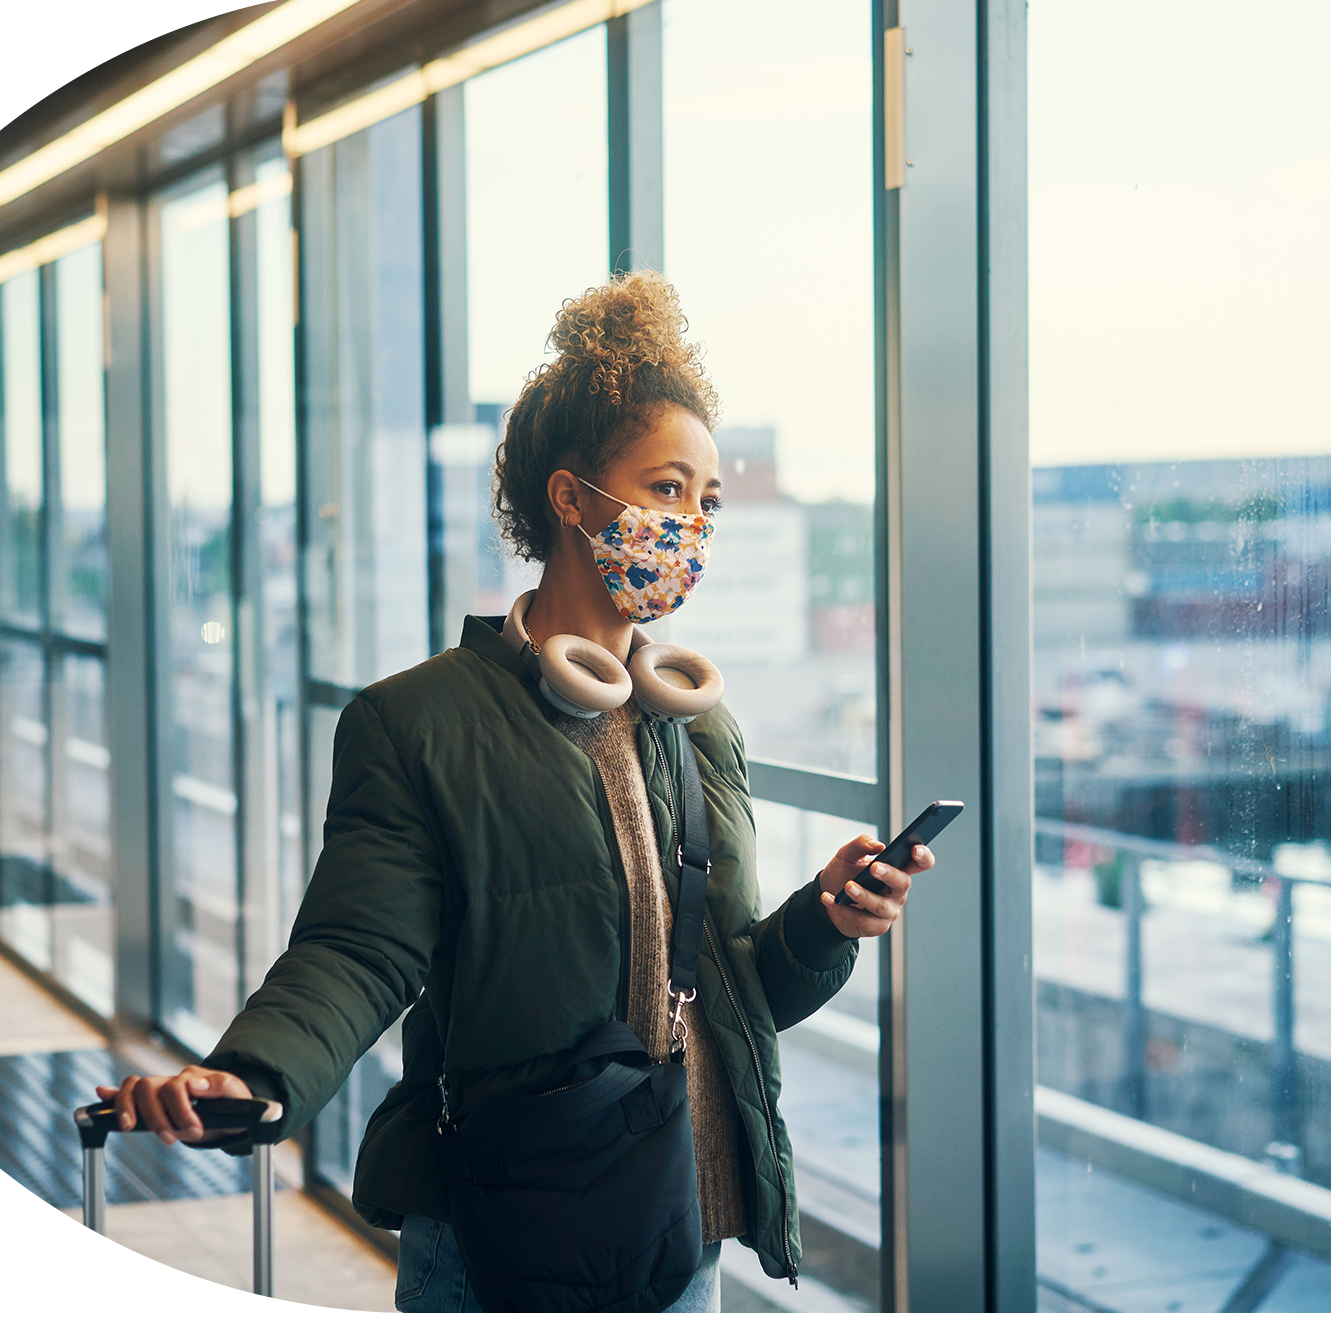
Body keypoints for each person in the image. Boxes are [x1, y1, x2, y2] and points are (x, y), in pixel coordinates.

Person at [98, 270, 933, 1312]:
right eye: (667, 488)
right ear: (572, 496)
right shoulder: (418, 723)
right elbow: (358, 948)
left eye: (706, 501)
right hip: (507, 1232)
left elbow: (729, 991)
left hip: (680, 1225)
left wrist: (825, 919)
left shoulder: (696, 724)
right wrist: (255, 1073)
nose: (692, 525)